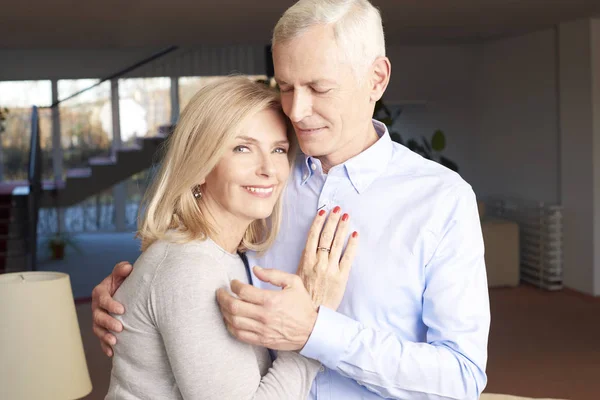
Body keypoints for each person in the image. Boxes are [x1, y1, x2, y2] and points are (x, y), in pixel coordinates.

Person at [93, 0, 491, 399]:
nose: (297, 111)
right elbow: (192, 262)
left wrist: (318, 331)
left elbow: (461, 378)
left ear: (376, 78)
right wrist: (135, 300)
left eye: (319, 87)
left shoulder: (441, 200)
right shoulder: (265, 186)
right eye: (285, 86)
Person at [103, 76, 359, 399]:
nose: (269, 168)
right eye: (243, 148)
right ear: (199, 166)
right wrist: (313, 321)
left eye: (278, 149)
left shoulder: (223, 256)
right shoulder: (189, 267)